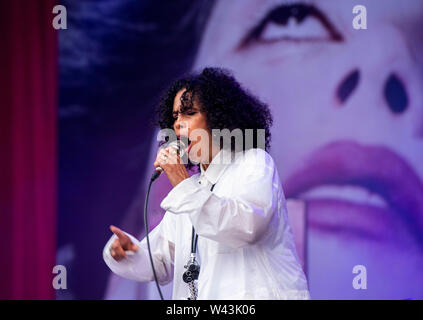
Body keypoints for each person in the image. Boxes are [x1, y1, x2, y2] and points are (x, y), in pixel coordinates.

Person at [103, 67, 310, 300]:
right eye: (174, 117)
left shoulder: (253, 162)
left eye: (189, 112)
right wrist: (128, 252)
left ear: (219, 118)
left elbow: (247, 227)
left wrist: (181, 183)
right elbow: (159, 262)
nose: (178, 124)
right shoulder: (191, 188)